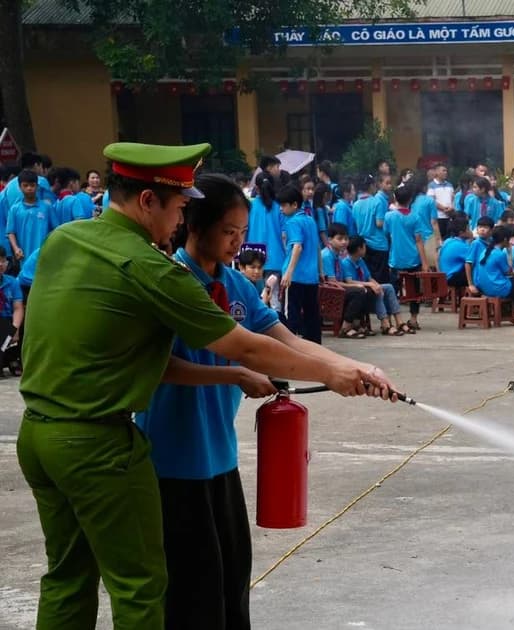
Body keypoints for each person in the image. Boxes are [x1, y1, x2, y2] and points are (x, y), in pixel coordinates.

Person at [17, 142, 398, 630]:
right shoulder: (151, 268)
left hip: (40, 434)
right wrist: (330, 375)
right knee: (142, 588)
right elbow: (245, 348)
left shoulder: (67, 238)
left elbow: (276, 338)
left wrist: (349, 366)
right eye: (178, 206)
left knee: (69, 578)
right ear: (149, 201)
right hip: (100, 445)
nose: (180, 218)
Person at [133, 173, 392, 630]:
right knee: (194, 593)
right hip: (172, 463)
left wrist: (353, 369)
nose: (238, 243)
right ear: (194, 225)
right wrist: (234, 372)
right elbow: (159, 367)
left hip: (219, 460)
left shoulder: (237, 287)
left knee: (233, 585)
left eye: (243, 232)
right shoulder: (168, 281)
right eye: (228, 232)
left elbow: (287, 342)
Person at [279, 185, 323, 343]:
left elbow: (297, 247)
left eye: (284, 205)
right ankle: (315, 346)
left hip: (296, 277)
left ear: (294, 205)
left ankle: (290, 347)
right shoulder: (310, 220)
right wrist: (320, 270)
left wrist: (288, 273)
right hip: (312, 277)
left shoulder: (292, 223)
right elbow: (317, 247)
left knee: (292, 314)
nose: (281, 209)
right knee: (312, 315)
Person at [384, 186, 430, 334]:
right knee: (414, 291)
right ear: (410, 200)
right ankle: (414, 318)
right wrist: (424, 262)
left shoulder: (389, 216)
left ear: (395, 199)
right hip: (413, 259)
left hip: (396, 259)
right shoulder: (415, 217)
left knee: (392, 291)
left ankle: (390, 320)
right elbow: (418, 241)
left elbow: (386, 233)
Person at [472, 224, 514, 326]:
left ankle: (510, 311)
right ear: (505, 239)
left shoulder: (485, 251)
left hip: (484, 287)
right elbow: (509, 271)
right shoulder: (499, 254)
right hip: (497, 288)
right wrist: (510, 252)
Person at [321, 222, 376, 338]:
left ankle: (356, 324)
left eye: (346, 239)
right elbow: (332, 283)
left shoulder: (339, 256)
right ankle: (346, 328)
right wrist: (355, 286)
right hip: (327, 292)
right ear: (330, 240)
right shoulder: (326, 256)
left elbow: (345, 280)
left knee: (369, 291)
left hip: (338, 289)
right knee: (359, 292)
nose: (344, 242)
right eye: (340, 239)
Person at [342, 235, 404, 336]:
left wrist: (376, 285)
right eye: (364, 246)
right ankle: (385, 323)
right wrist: (370, 285)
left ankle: (399, 320)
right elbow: (349, 281)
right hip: (359, 293)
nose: (366, 248)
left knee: (388, 287)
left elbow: (369, 277)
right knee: (376, 291)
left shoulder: (360, 261)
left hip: (367, 289)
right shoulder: (346, 263)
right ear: (359, 249)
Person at [247, 172, 284, 311]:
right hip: (275, 257)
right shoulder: (280, 207)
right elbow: (284, 235)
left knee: (254, 297)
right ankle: (277, 327)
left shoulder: (249, 206)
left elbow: (244, 229)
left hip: (252, 256)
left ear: (256, 187)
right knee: (274, 298)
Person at [7, 170, 54, 269]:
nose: (29, 188)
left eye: (32, 185)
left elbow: (55, 229)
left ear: (37, 186)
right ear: (20, 187)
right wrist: (16, 249)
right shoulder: (15, 209)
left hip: (44, 255)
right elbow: (11, 232)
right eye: (25, 185)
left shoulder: (47, 207)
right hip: (24, 257)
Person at [354, 174, 391, 283]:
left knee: (369, 277)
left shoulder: (356, 204)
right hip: (379, 244)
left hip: (364, 245)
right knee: (382, 279)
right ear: (371, 186)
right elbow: (379, 223)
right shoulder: (377, 202)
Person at [438, 217, 474, 289]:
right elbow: (473, 259)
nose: (470, 231)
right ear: (461, 233)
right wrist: (471, 238)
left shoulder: (448, 240)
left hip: (444, 276)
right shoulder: (461, 246)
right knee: (478, 272)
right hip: (452, 277)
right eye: (468, 229)